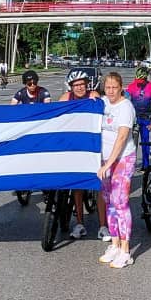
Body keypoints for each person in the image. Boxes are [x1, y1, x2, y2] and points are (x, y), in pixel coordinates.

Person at [97, 72, 137, 269]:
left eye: (114, 87)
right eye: (108, 87)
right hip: (105, 159)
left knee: (120, 202)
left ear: (121, 87)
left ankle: (125, 249)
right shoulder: (103, 102)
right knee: (109, 201)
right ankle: (114, 243)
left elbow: (121, 138)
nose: (111, 91)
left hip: (122, 158)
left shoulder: (126, 107)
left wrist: (108, 164)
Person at [59, 69, 105, 240]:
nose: (79, 88)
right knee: (77, 187)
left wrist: (96, 100)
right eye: (76, 85)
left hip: (91, 146)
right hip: (73, 146)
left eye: (82, 84)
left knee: (98, 185)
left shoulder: (93, 95)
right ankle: (79, 223)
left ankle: (103, 226)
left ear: (87, 84)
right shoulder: (66, 98)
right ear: (70, 87)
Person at [125, 66, 151, 169]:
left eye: (141, 81)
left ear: (145, 79)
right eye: (137, 81)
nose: (139, 83)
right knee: (132, 143)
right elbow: (125, 100)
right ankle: (131, 164)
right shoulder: (131, 86)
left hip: (146, 118)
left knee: (145, 142)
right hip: (134, 118)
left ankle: (145, 164)